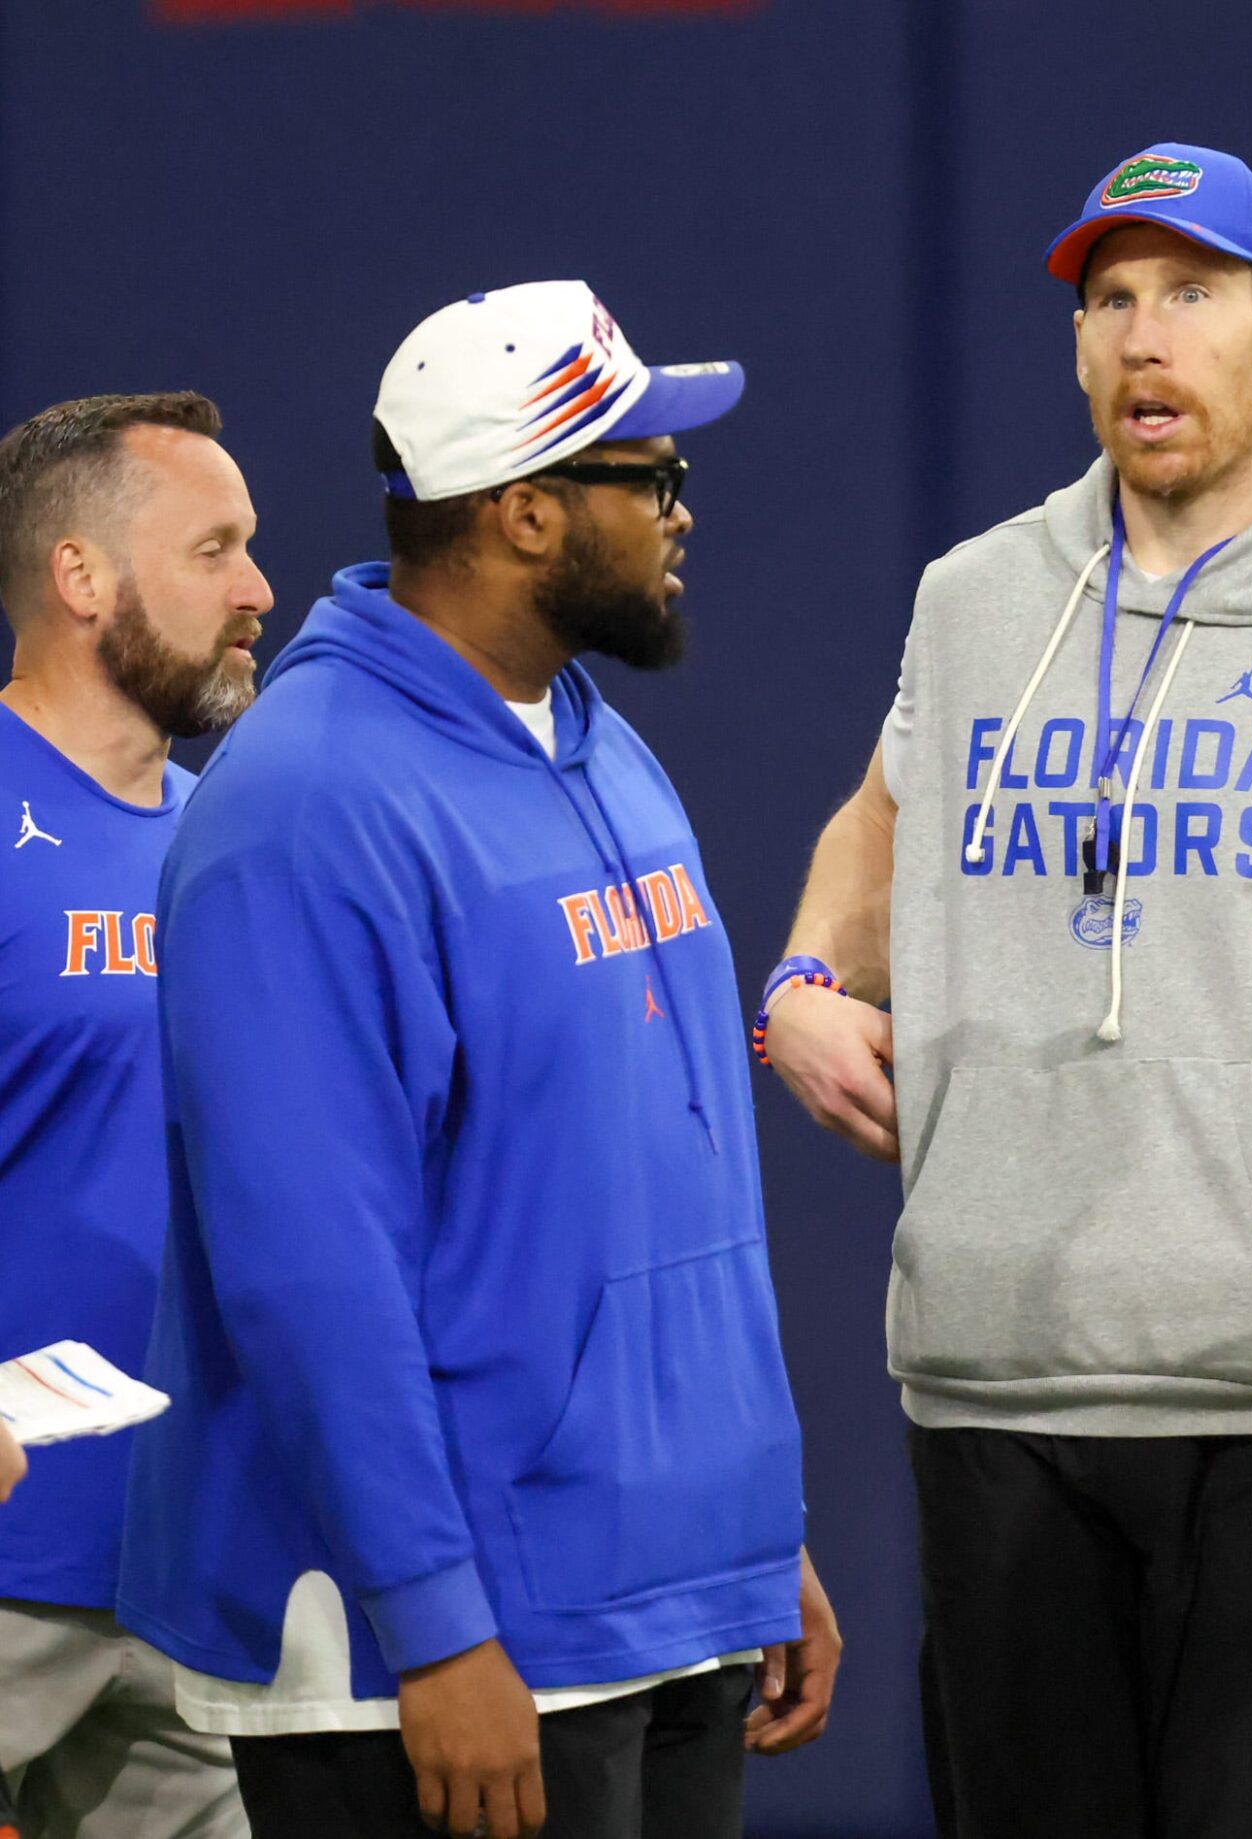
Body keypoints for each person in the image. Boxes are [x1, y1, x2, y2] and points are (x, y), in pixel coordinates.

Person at [761, 143, 1252, 1837]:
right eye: (1110, 302)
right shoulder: (976, 604)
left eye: (1191, 296)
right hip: (997, 1373)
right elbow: (885, 814)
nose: (1142, 341)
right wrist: (806, 981)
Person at [116, 283, 840, 1839]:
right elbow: (311, 1268)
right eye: (650, 478)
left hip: (661, 1589)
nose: (681, 512)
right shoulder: (302, 805)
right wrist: (434, 1621)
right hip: (452, 1647)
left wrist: (746, 1530)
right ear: (523, 512)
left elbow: (658, 1184)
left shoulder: (587, 733)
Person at [0, 391, 270, 1839]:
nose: (257, 591)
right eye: (215, 549)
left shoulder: (239, 839)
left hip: (186, 1574)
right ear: (82, 578)